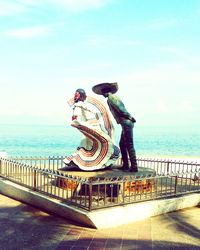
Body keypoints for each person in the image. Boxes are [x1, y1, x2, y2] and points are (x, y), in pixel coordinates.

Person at [63, 88, 120, 171]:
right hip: (91, 131)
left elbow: (94, 116)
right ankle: (95, 164)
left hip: (96, 129)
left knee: (108, 148)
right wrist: (87, 128)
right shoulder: (78, 106)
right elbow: (76, 119)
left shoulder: (83, 105)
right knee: (107, 147)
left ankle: (103, 164)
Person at [92, 82, 138, 172]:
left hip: (126, 122)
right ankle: (125, 165)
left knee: (129, 145)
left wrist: (130, 117)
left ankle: (134, 167)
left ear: (105, 92)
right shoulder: (110, 99)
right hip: (124, 123)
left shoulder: (112, 98)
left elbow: (121, 109)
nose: (102, 94)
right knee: (122, 144)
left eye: (102, 92)